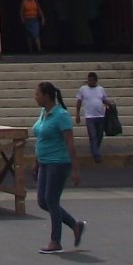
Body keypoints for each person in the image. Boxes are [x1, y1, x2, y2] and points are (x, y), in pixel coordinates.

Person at [30, 81, 85, 254]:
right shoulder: (43, 113)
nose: (35, 97)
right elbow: (41, 139)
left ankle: (55, 241)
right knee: (42, 201)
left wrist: (75, 170)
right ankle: (75, 225)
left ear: (46, 96)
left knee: (51, 200)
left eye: (38, 94)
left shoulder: (61, 115)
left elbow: (70, 144)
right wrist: (36, 161)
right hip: (44, 162)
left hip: (58, 163)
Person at [74, 71, 110, 164]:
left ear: (95, 81)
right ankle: (96, 154)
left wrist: (110, 104)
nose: (89, 82)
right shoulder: (83, 89)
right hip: (90, 117)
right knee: (93, 135)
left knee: (99, 135)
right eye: (88, 80)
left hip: (100, 115)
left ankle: (95, 148)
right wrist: (77, 114)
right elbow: (79, 102)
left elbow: (104, 100)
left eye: (91, 80)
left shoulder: (100, 89)